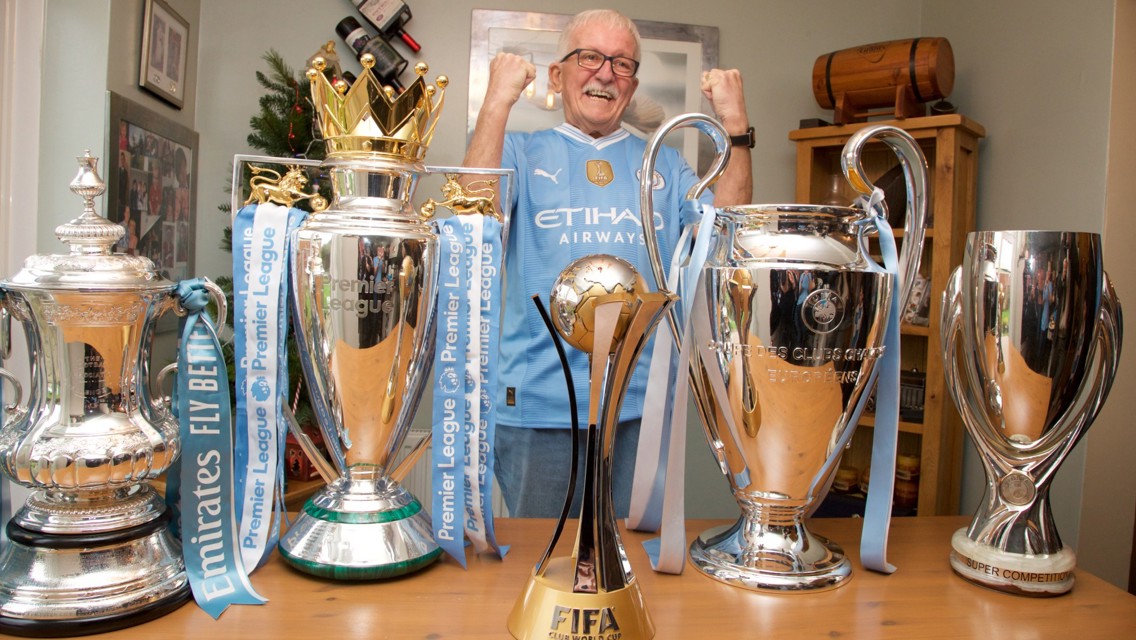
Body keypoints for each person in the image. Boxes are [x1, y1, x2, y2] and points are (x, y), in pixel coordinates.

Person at [463, 9, 753, 518]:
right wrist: (496, 100)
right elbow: (469, 221)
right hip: (538, 407)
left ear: (633, 82)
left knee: (632, 568)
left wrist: (735, 125)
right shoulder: (520, 151)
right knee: (544, 569)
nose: (604, 73)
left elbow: (725, 232)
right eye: (590, 57)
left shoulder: (663, 161)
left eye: (621, 63)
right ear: (558, 74)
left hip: (639, 406)